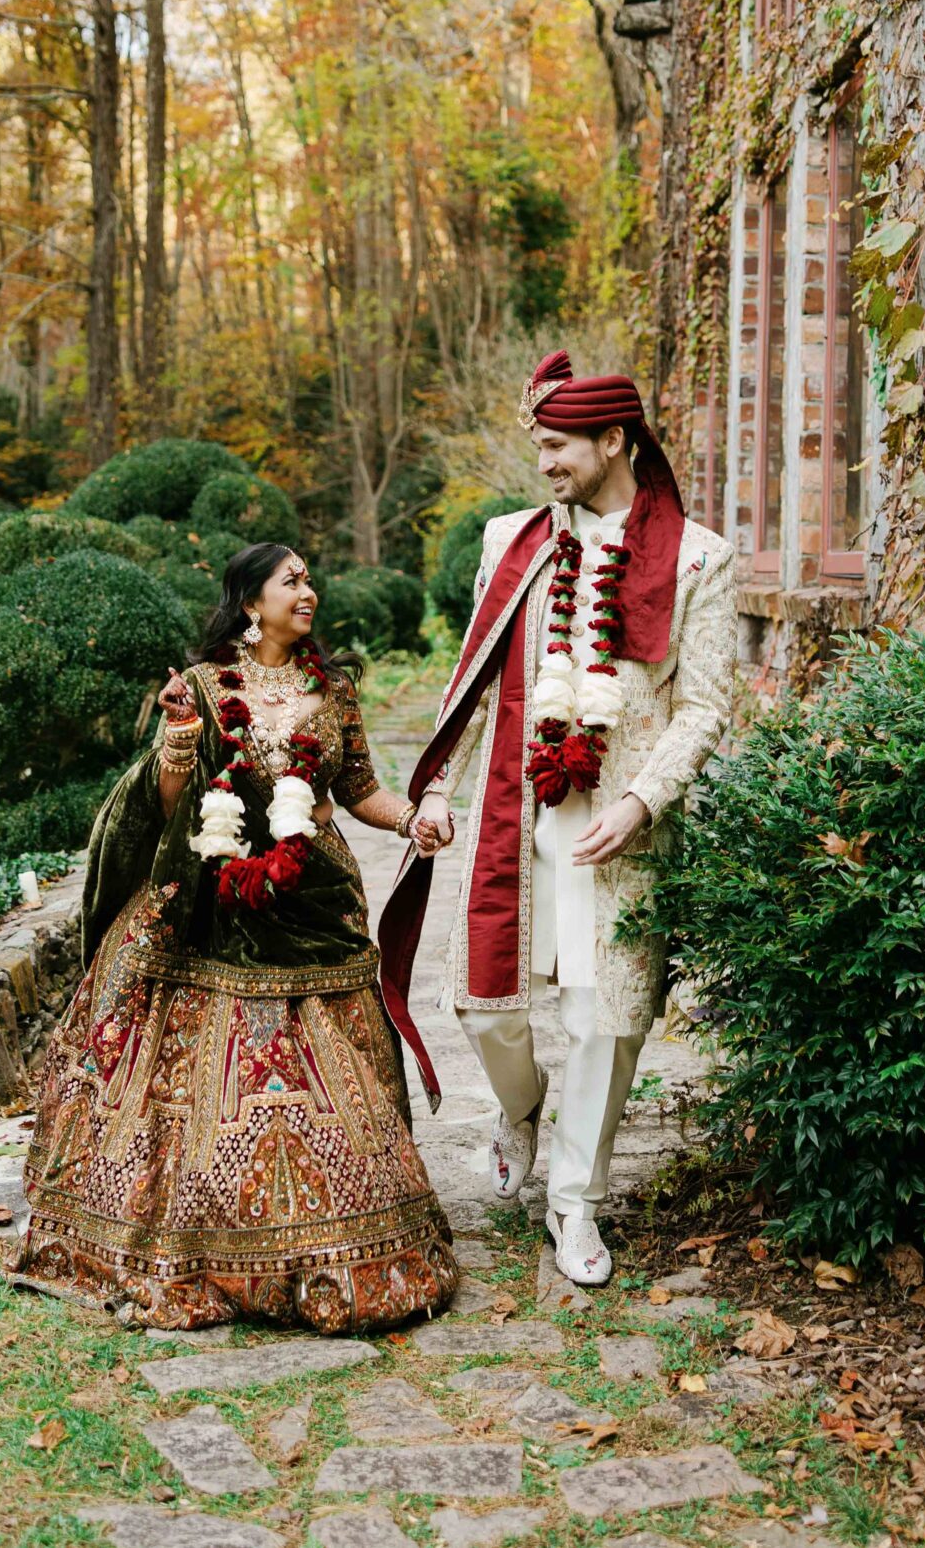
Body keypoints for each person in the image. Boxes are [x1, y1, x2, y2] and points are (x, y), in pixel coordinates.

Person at [13, 540, 461, 1333]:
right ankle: (200, 1239)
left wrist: (417, 819)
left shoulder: (335, 688)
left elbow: (358, 788)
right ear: (251, 602)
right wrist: (181, 739)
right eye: (292, 581)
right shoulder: (203, 689)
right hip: (213, 900)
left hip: (315, 902)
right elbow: (166, 797)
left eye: (311, 579)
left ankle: (338, 1238)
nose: (309, 591)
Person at [382, 349, 736, 1289]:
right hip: (520, 812)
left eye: (557, 445)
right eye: (537, 445)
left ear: (613, 440)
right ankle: (519, 1107)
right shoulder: (512, 543)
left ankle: (574, 1203)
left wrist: (640, 799)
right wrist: (435, 792)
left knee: (602, 1020)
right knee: (483, 1007)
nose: (543, 463)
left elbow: (704, 705)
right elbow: (473, 675)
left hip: (620, 833)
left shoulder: (699, 559)